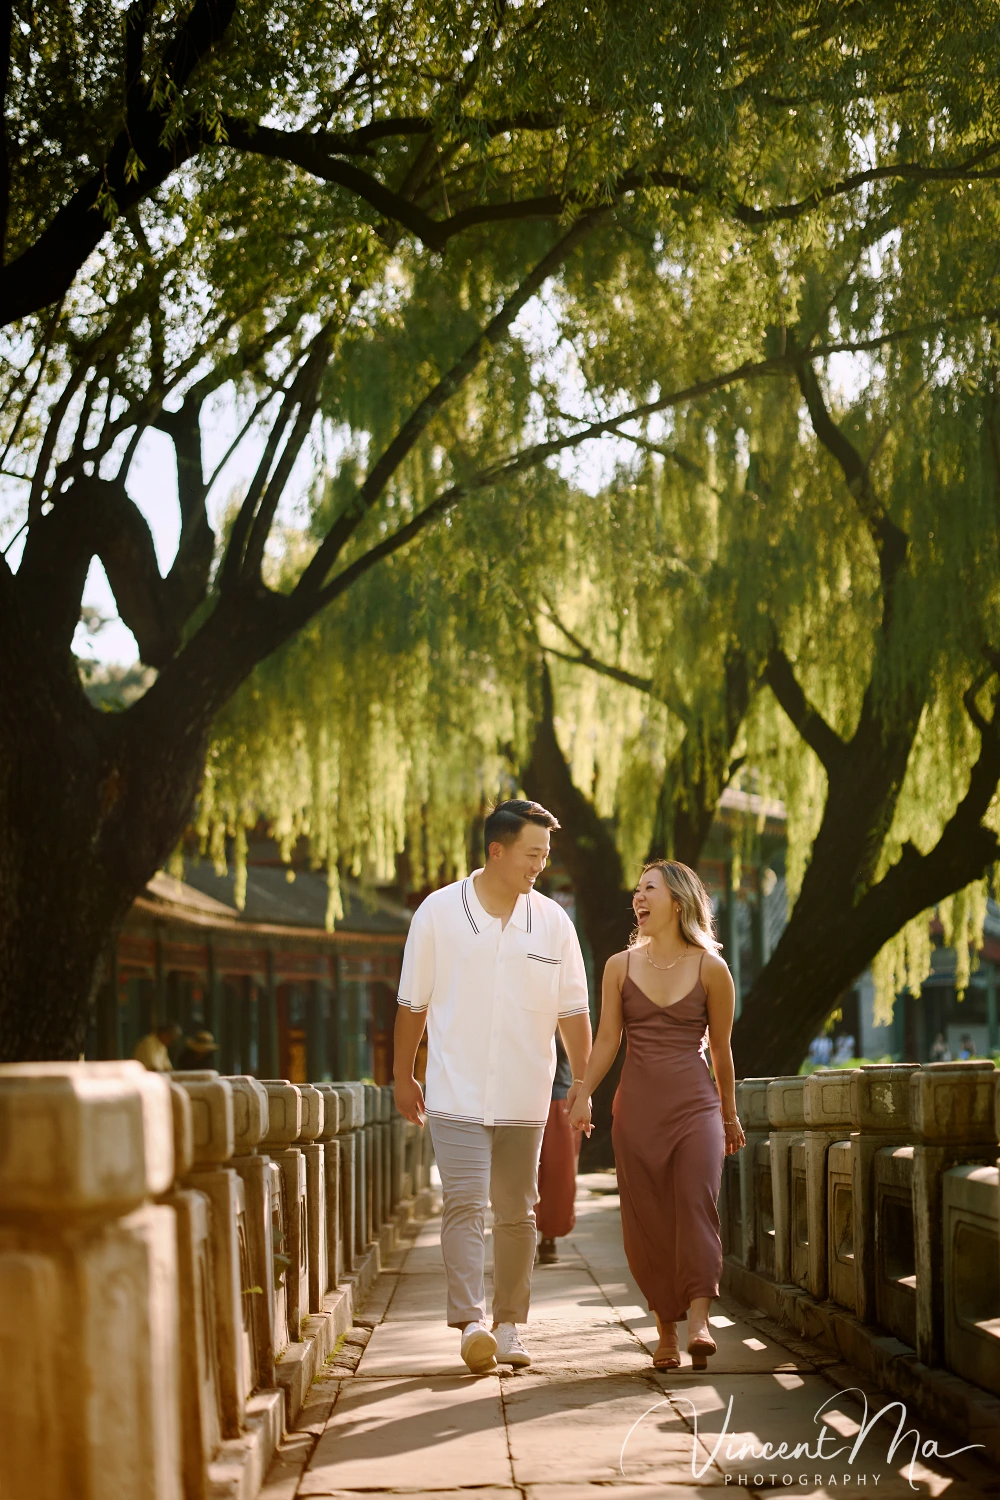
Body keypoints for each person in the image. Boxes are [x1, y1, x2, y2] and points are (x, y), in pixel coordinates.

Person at [393, 799, 592, 1375]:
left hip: (525, 1094)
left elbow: (573, 1011)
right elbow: (413, 1002)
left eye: (545, 856)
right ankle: (471, 1322)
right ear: (496, 850)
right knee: (462, 1204)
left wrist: (581, 1087)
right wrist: (405, 1074)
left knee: (517, 1213)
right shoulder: (438, 913)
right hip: (453, 1091)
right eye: (532, 854)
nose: (540, 866)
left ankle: (509, 1325)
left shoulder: (552, 922)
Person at [569, 860, 745, 1372]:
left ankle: (698, 1320)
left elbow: (723, 1054)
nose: (638, 899)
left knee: (696, 1203)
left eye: (650, 889)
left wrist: (729, 1117)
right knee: (646, 1216)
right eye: (637, 891)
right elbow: (606, 1040)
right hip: (637, 1109)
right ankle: (664, 1331)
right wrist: (583, 1093)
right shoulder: (619, 966)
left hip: (697, 1107)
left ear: (679, 901)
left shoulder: (713, 969)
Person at [535, 1032, 583, 1265]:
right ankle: (522, 1234)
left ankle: (549, 1237)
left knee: (559, 1174)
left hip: (559, 1101)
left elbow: (581, 1054)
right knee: (525, 1173)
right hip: (524, 1100)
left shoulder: (565, 1015)